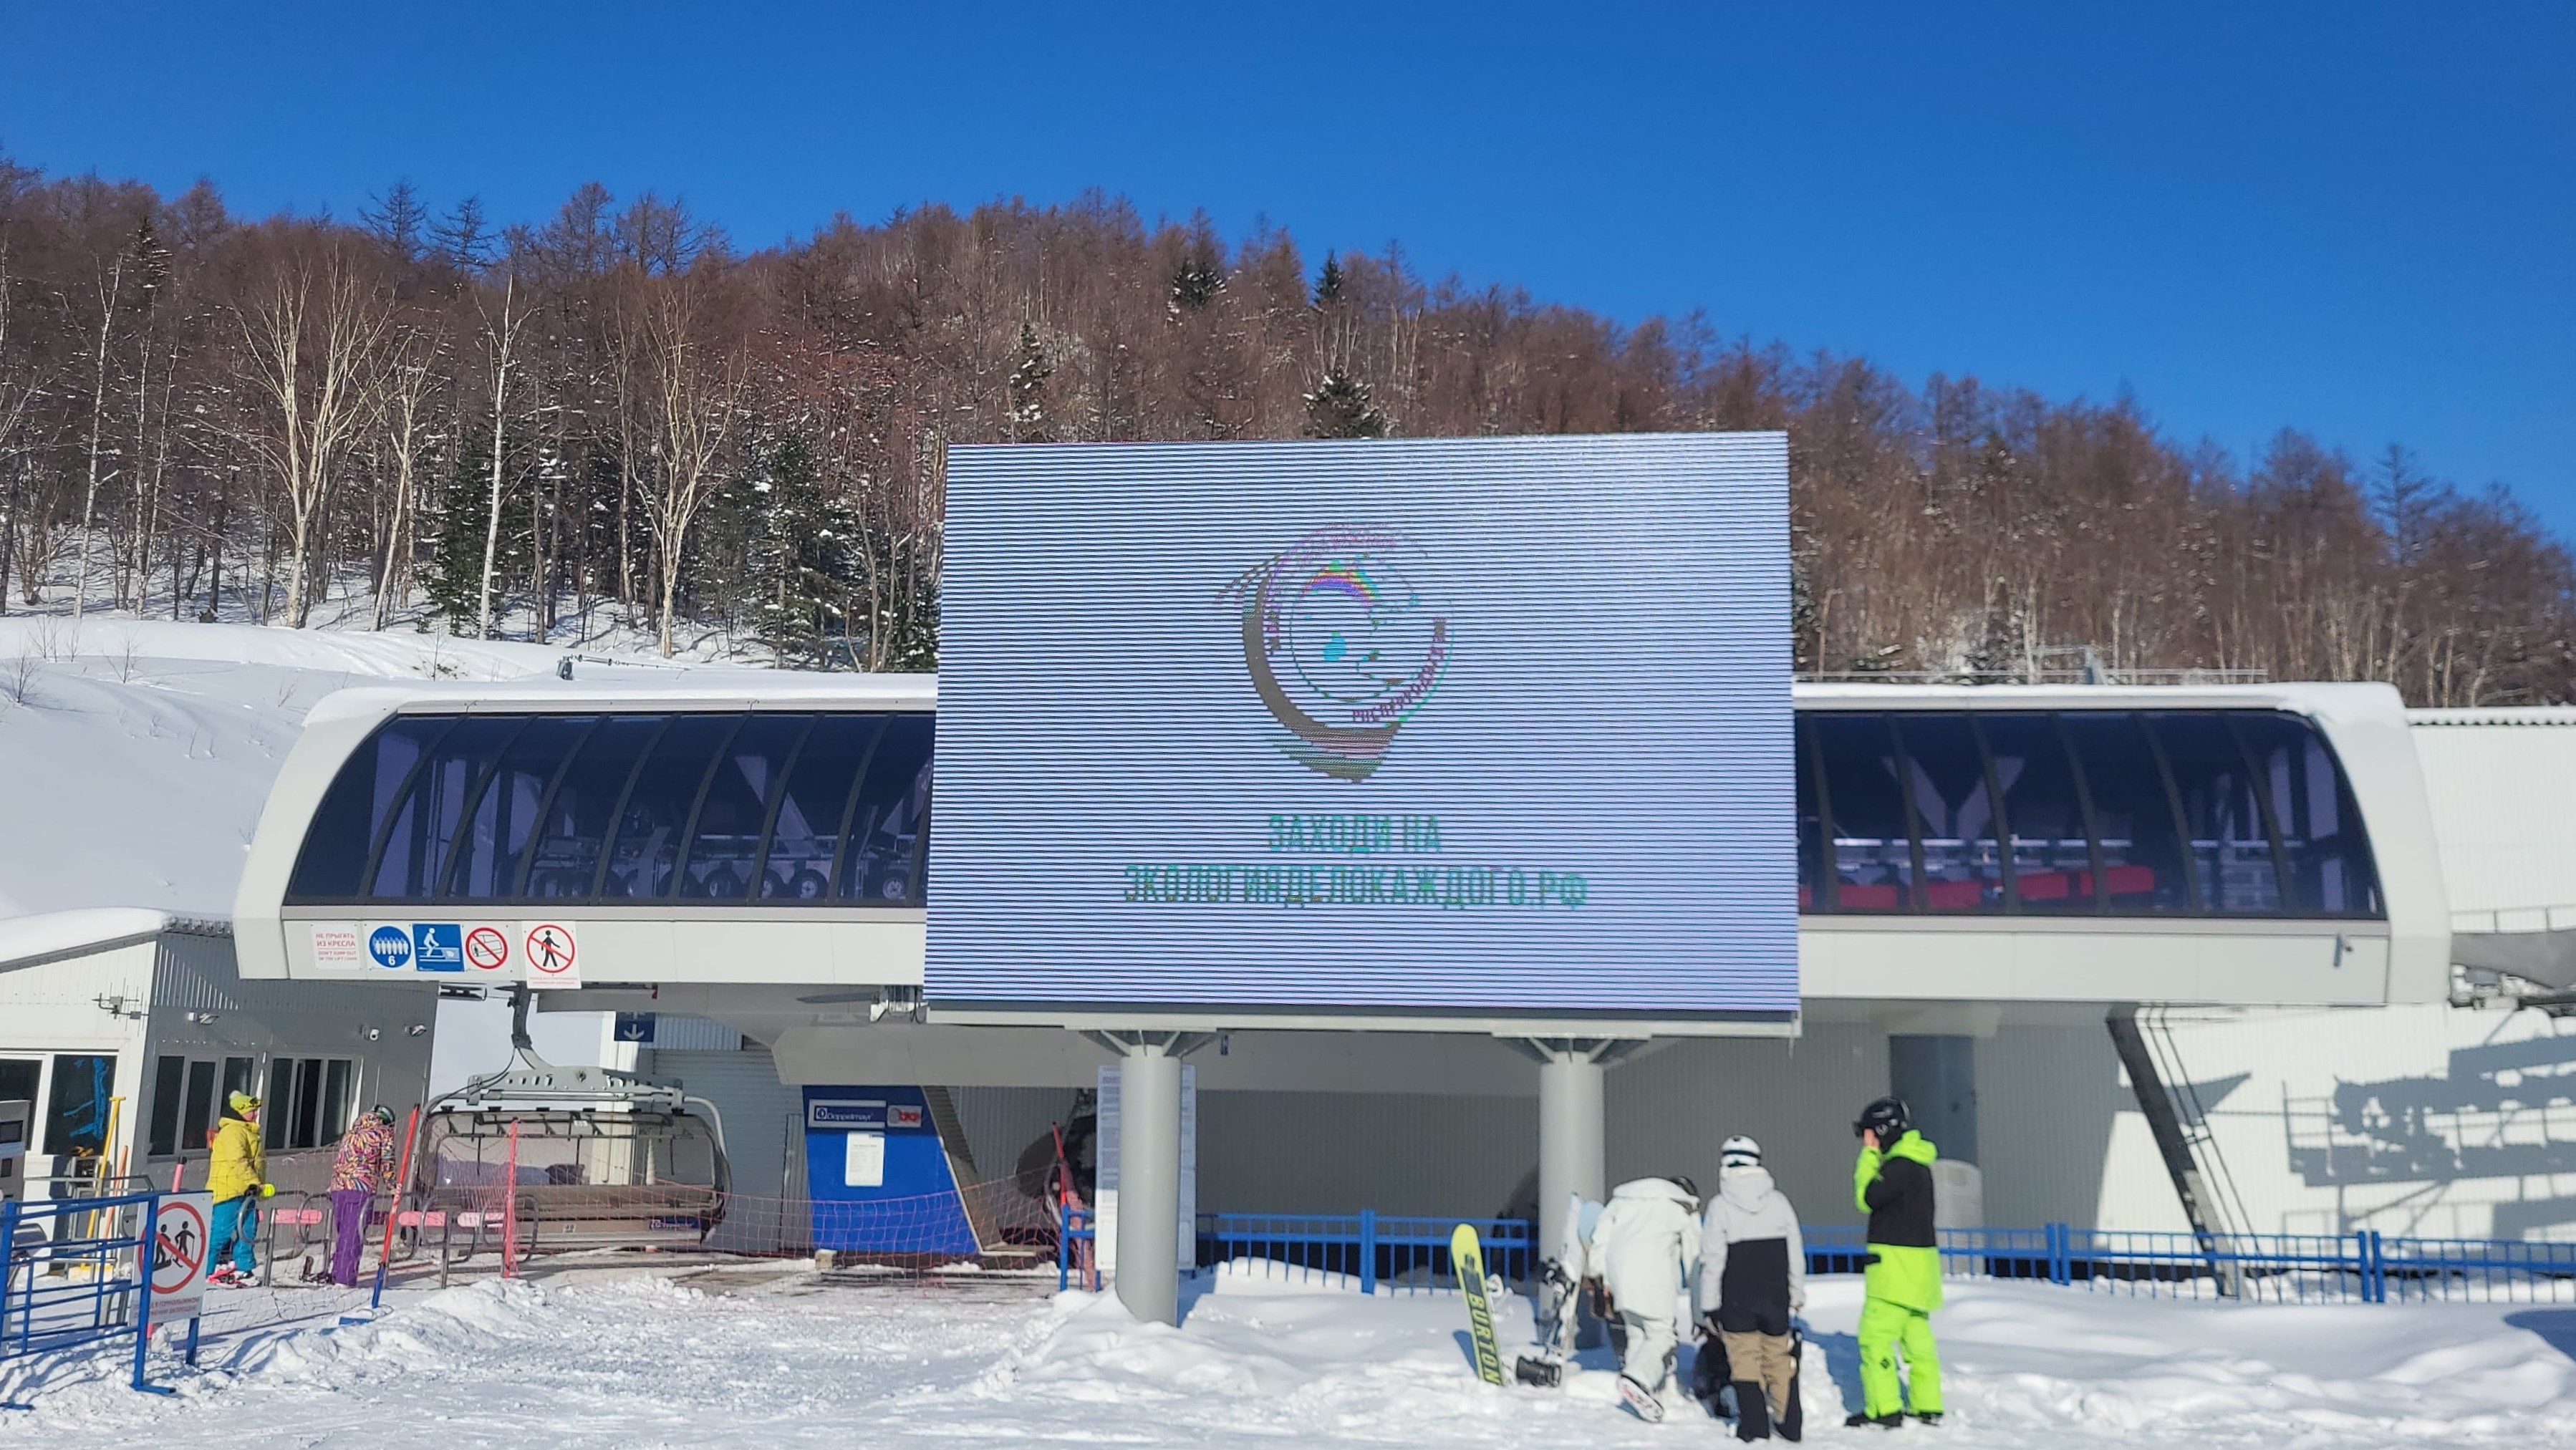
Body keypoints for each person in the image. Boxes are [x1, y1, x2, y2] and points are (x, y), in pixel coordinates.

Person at [1699, 1136, 1805, 1441]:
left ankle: (1755, 1427)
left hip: (1737, 1299)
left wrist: (1709, 1305)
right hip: (1775, 1297)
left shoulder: (1719, 1206)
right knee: (1778, 1358)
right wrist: (1797, 1292)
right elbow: (1795, 1253)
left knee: (1744, 1360)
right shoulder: (1780, 1202)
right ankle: (1789, 1424)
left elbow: (1712, 1260)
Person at [1848, 1098, 1941, 1429]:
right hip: (1920, 1272)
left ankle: (1883, 1408)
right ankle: (1928, 1404)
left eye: (1869, 1133)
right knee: (1917, 1341)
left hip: (1892, 1273)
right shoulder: (1919, 1163)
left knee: (1874, 1338)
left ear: (1882, 1131)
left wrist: (1869, 1156)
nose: (1866, 1140)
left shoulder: (1898, 1166)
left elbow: (1866, 1198)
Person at [1586, 1174, 1701, 1422]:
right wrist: (1700, 1295)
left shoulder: (1622, 1200)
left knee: (1637, 1333)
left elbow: (1600, 1239)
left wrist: (1600, 1276)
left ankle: (1636, 1390)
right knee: (1663, 1336)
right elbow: (1696, 1258)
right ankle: (1638, 1379)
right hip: (1654, 1278)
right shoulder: (1682, 1207)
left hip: (1620, 1278)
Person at [327, 1106, 401, 1286]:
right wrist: (392, 1186)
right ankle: (345, 1278)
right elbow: (387, 1163)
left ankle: (336, 1273)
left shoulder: (351, 1133)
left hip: (338, 1187)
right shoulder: (383, 1133)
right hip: (361, 1187)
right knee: (353, 1233)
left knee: (343, 1233)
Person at [206, 1092, 274, 1287]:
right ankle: (204, 1270)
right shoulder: (232, 1132)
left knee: (248, 1229)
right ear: (240, 1112)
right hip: (229, 1191)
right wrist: (255, 1182)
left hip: (246, 1191)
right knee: (220, 1233)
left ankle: (244, 1267)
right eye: (252, 1111)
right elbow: (238, 1161)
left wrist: (257, 1186)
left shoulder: (248, 1131)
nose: (256, 1114)